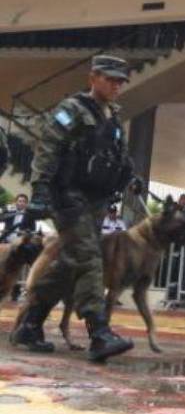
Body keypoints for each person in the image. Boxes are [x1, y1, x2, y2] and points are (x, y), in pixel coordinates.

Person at [11, 54, 136, 360]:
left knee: (70, 263)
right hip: (67, 197)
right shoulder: (73, 110)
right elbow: (48, 148)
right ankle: (99, 333)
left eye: (121, 81)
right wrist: (39, 192)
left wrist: (131, 175)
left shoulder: (112, 116)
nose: (116, 86)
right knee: (90, 257)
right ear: (93, 78)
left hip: (95, 201)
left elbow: (117, 155)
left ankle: (30, 324)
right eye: (110, 79)